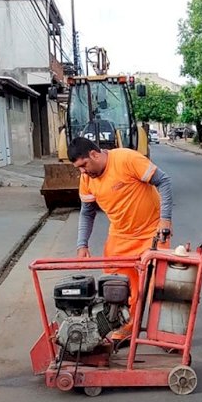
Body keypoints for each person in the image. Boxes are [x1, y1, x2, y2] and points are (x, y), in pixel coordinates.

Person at [69, 137, 173, 341]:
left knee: (157, 287)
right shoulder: (87, 179)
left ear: (94, 154)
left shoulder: (127, 159)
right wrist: (82, 244)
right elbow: (86, 212)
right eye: (78, 168)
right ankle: (127, 327)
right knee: (118, 287)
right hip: (120, 236)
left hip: (151, 233)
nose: (82, 172)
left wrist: (165, 220)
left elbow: (163, 181)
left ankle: (165, 334)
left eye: (84, 165)